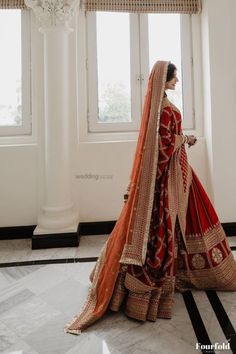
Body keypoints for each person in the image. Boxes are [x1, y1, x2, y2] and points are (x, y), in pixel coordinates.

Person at [64, 60, 236, 335]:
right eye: (174, 78)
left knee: (184, 221)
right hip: (170, 177)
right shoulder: (165, 110)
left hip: (176, 173)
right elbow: (164, 146)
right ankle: (156, 286)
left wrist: (181, 139)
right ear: (164, 80)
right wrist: (186, 140)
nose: (177, 82)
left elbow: (164, 142)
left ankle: (182, 271)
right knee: (167, 228)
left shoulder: (161, 107)